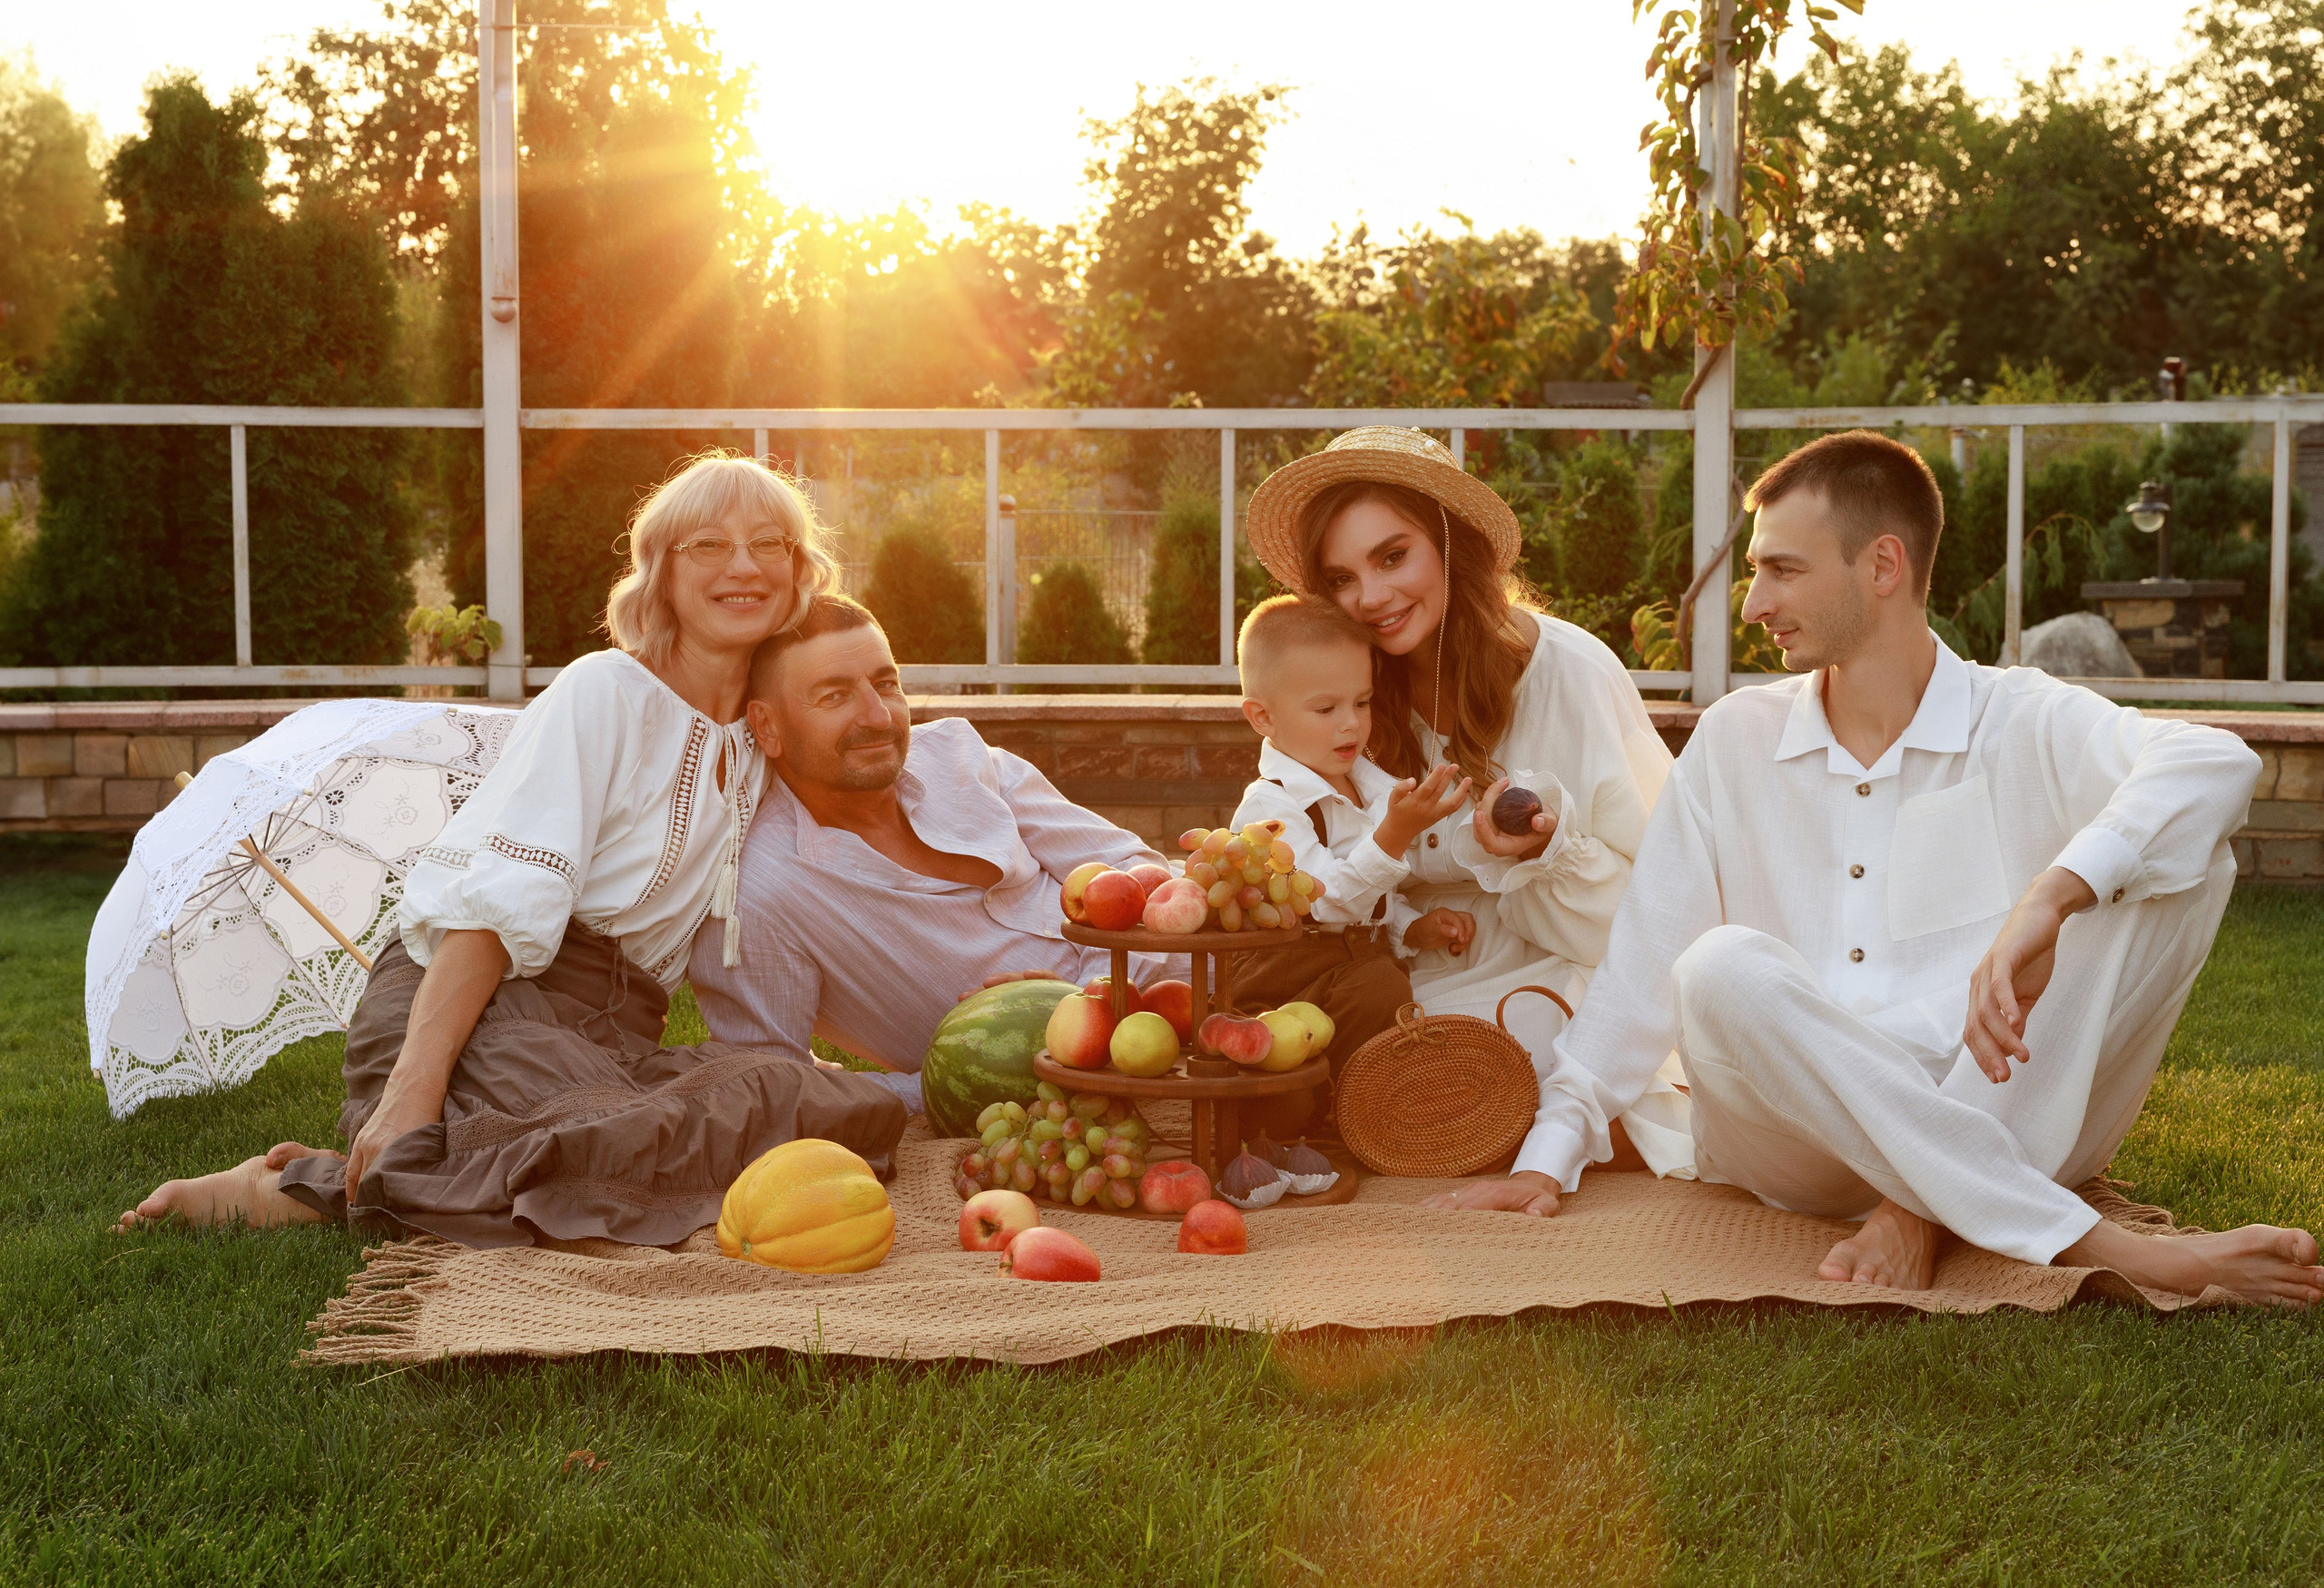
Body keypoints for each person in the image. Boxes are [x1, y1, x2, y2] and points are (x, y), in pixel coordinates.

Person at [1424, 429, 2323, 1308]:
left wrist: (2053, 897)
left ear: (1881, 567)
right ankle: (2111, 1247)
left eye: (1780, 570)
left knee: (2169, 865)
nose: (1750, 606)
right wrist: (1547, 1156)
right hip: (1791, 1137)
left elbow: (2214, 762)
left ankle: (1917, 1208)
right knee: (1716, 966)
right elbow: (1640, 971)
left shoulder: (2019, 718)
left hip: (1996, 1099)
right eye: (1753, 575)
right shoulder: (1737, 739)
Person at [118, 453, 909, 1247]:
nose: (743, 566)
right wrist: (410, 1092)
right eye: (708, 545)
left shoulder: (758, 741)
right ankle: (314, 1180)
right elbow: (491, 911)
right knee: (612, 1146)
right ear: (661, 573)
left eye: (768, 543)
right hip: (481, 999)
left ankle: (409, 1166)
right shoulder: (602, 692)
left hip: (606, 1043)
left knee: (841, 1110)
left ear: (798, 569)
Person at [1243, 427, 1691, 1172]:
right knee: (1318, 1035)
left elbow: (1660, 906)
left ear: (1453, 544)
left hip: (1560, 957)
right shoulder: (1350, 696)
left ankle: (1466, 1106)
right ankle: (1428, 1105)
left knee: (1515, 1042)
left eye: (1393, 556)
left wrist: (1546, 852)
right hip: (1407, 970)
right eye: (1343, 578)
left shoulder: (1568, 671)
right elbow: (1309, 864)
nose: (1372, 597)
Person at [687, 595, 1179, 1096]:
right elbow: (772, 1084)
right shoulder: (758, 895)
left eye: (885, 684)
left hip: (1207, 964)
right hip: (1135, 1073)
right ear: (767, 726)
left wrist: (1086, 1002)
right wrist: (935, 1091)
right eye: (834, 696)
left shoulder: (959, 756)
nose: (878, 716)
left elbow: (1139, 871)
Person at [1224, 595, 1468, 1122]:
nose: (1351, 725)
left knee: (1387, 983)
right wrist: (1394, 837)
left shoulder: (1368, 788)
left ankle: (1348, 1104)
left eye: (1362, 703)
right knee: (1370, 993)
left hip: (1349, 976)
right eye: (1326, 709)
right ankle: (1313, 1108)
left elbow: (1370, 903)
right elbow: (1328, 900)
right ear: (1263, 716)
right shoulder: (1269, 806)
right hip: (1283, 981)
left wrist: (1410, 926)